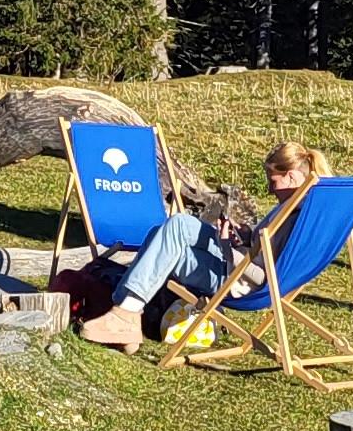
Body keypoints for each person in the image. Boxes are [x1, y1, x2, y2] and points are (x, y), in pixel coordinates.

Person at [79, 139, 319, 350]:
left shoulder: (294, 220)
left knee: (170, 246)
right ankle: (125, 312)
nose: (269, 188)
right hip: (234, 265)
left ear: (291, 176)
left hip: (237, 282)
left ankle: (125, 314)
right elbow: (262, 249)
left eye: (273, 181)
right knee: (173, 227)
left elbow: (263, 277)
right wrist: (245, 237)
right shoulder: (296, 208)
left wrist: (227, 248)